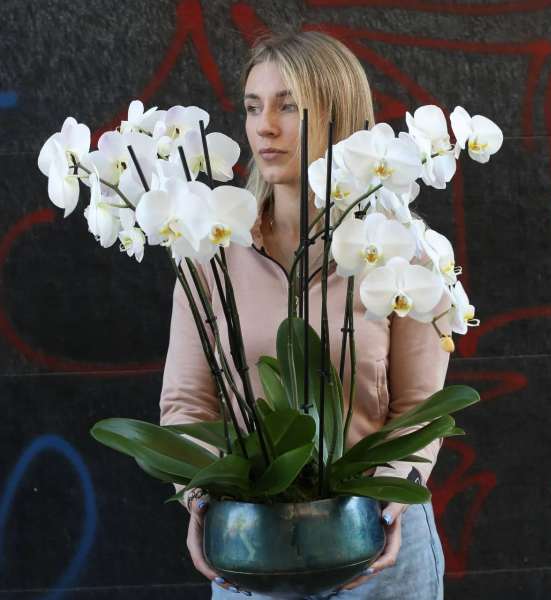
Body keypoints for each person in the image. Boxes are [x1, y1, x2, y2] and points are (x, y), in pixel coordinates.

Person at [159, 30, 451, 600]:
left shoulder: (403, 252)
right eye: (253, 107)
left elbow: (421, 410)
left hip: (376, 543)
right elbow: (186, 405)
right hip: (252, 544)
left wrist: (389, 500)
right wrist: (202, 498)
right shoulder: (209, 253)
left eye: (288, 106)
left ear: (339, 117)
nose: (264, 126)